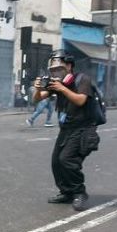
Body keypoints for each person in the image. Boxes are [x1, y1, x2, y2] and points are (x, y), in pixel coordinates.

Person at [32, 50, 100, 211]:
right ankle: (66, 192)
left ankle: (79, 193)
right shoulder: (57, 83)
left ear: (69, 66)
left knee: (67, 160)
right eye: (53, 70)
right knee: (56, 162)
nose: (56, 73)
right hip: (66, 129)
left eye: (59, 69)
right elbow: (37, 98)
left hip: (83, 128)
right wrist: (37, 88)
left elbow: (81, 100)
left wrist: (62, 89)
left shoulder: (82, 80)